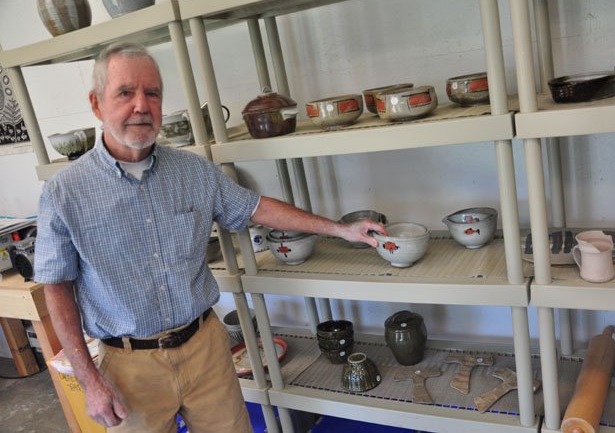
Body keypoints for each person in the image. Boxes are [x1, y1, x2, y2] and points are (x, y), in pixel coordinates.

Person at [34, 42, 385, 433]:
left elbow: (255, 207)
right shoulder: (64, 192)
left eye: (152, 93)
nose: (141, 105)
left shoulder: (193, 172)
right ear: (97, 104)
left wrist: (341, 229)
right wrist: (90, 381)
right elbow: (56, 289)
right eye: (125, 92)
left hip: (205, 350)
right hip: (128, 367)